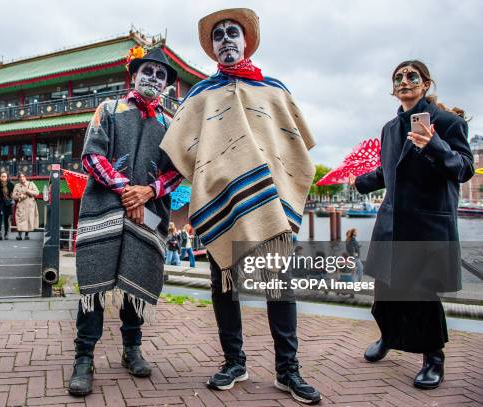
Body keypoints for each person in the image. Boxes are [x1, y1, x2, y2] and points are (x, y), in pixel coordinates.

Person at [161, 9, 321, 404]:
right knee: (224, 287)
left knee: (278, 288)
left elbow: (293, 145)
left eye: (233, 32)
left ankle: (288, 369)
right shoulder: (201, 95)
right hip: (223, 202)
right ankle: (235, 361)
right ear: (213, 47)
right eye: (218, 36)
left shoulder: (273, 90)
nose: (226, 39)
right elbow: (180, 148)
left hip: (270, 204)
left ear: (246, 40)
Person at [349, 60, 474, 389]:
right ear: (393, 88)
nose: (404, 81)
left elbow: (463, 168)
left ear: (425, 83)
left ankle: (433, 357)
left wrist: (433, 144)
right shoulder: (390, 128)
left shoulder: (448, 122)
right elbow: (388, 171)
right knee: (384, 289)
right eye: (398, 77)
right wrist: (359, 182)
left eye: (411, 76)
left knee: (421, 293)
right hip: (391, 222)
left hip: (427, 223)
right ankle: (389, 336)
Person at [68, 47, 183, 396]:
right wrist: (126, 190)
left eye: (161, 75)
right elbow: (92, 156)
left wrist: (147, 192)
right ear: (134, 74)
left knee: (137, 279)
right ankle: (84, 357)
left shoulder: (169, 124)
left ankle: (132, 349)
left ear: (166, 85)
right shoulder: (109, 110)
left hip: (148, 214)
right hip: (104, 208)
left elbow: (175, 171)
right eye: (148, 70)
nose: (153, 77)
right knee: (95, 286)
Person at [13, 173, 39, 240]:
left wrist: (28, 191)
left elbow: (37, 192)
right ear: (18, 178)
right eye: (20, 177)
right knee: (20, 219)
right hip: (21, 204)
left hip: (30, 204)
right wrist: (19, 196)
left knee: (28, 219)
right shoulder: (17, 185)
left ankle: (27, 235)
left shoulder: (31, 184)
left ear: (25, 177)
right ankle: (19, 235)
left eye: (23, 176)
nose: (22, 178)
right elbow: (13, 196)